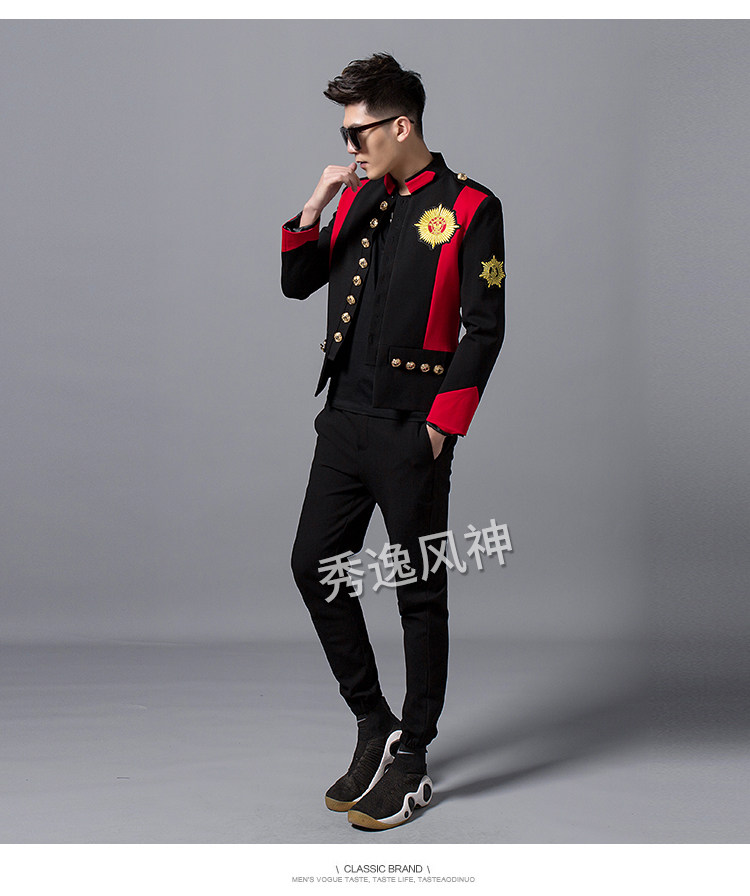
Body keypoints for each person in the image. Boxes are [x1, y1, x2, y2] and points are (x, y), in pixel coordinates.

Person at [282, 53, 506, 830]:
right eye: (346, 134)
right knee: (313, 565)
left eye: (359, 133)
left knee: (418, 589)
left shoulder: (470, 206)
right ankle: (373, 720)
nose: (350, 147)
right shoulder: (355, 198)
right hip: (344, 419)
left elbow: (486, 327)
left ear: (400, 125)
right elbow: (297, 283)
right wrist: (315, 203)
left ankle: (412, 759)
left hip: (414, 428)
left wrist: (443, 426)